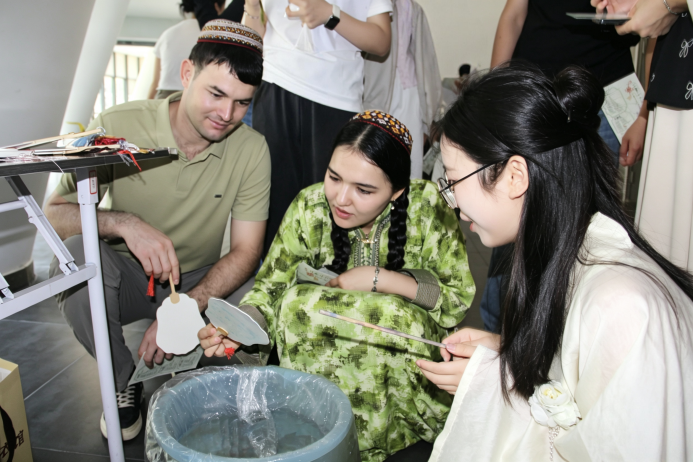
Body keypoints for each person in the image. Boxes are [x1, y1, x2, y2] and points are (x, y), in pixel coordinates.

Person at [415, 64, 693, 461]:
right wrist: (507, 354)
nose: (452, 202)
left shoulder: (621, 305)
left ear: (515, 176)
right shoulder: (569, 255)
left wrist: (491, 385)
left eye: (453, 181)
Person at [199, 110, 476, 461]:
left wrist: (382, 280)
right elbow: (271, 287)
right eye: (333, 177)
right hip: (316, 395)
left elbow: (454, 300)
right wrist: (241, 327)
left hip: (400, 395)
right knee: (296, 303)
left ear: (397, 191)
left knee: (389, 312)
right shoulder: (309, 207)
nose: (341, 199)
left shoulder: (428, 208)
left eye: (364, 190)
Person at [44, 21, 270, 441]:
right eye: (216, 94)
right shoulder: (117, 124)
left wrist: (185, 310)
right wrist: (123, 223)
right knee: (72, 260)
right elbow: (54, 213)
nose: (226, 115)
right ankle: (121, 378)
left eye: (242, 103)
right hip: (129, 277)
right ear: (186, 74)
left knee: (258, 302)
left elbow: (246, 251)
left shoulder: (252, 149)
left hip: (200, 280)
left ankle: (196, 371)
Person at [241, 0, 393, 254]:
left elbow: (381, 41)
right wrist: (253, 7)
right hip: (275, 82)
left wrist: (331, 14)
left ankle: (327, 277)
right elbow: (252, 38)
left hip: (335, 95)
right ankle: (274, 275)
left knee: (329, 210)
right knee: (272, 204)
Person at [592, 0, 693, 272]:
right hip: (671, 87)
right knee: (665, 242)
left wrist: (668, 3)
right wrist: (644, 113)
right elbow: (657, 40)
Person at [147, 0, 226, 99]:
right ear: (217, 6)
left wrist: (146, 106)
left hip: (164, 98)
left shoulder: (167, 34)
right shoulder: (211, 35)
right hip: (194, 97)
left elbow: (155, 83)